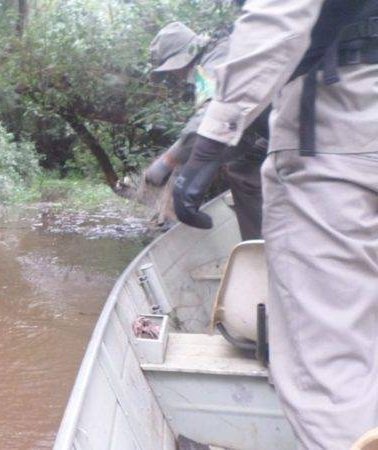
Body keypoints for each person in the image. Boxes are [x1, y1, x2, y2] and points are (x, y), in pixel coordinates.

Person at [171, 0, 378, 448]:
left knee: (329, 370)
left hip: (337, 133)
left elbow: (278, 20)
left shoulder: (210, 62)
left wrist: (200, 152)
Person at [145, 22, 267, 241]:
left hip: (292, 129)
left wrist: (167, 161)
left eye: (171, 69)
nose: (173, 75)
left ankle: (259, 245)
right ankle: (259, 241)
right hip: (269, 130)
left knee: (243, 167)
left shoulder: (212, 65)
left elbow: (208, 123)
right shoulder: (216, 53)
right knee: (241, 165)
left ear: (180, 61)